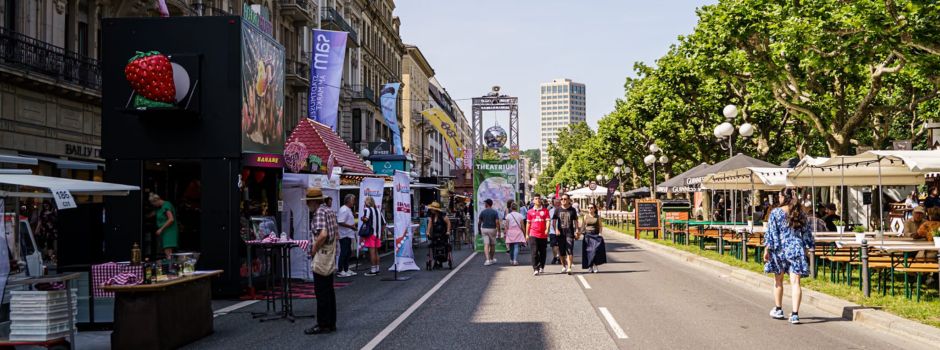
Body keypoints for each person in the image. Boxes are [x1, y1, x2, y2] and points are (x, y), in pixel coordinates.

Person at [762, 188, 814, 325]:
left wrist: (767, 249)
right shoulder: (800, 213)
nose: (778, 198)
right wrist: (808, 248)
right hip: (796, 249)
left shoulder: (775, 213)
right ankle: (795, 314)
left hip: (779, 250)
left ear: (783, 197)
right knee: (796, 283)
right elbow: (807, 233)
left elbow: (771, 234)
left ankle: (779, 309)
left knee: (778, 281)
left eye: (779, 196)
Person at [305, 189, 338, 335]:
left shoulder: (319, 212)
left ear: (313, 201)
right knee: (329, 290)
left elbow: (323, 234)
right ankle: (331, 322)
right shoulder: (329, 210)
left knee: (321, 291)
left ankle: (323, 323)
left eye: (308, 202)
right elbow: (334, 233)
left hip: (322, 254)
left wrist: (313, 249)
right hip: (330, 253)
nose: (307, 205)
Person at [552, 194, 580, 275]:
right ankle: (564, 265)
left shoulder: (573, 210)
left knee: (570, 250)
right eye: (562, 199)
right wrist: (556, 229)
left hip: (570, 233)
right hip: (560, 234)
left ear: (568, 200)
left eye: (565, 199)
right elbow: (554, 221)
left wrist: (577, 230)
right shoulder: (557, 210)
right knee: (561, 252)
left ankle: (569, 267)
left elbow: (575, 221)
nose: (563, 200)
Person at [360, 196, 386, 276]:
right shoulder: (378, 210)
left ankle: (373, 270)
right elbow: (384, 223)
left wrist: (362, 218)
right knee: (376, 252)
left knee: (372, 252)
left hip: (370, 234)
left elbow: (366, 219)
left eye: (365, 202)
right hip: (377, 234)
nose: (364, 203)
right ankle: (377, 268)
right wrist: (381, 233)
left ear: (367, 203)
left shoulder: (367, 209)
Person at [149, 193, 179, 260]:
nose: (154, 205)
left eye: (153, 204)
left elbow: (171, 219)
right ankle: (170, 265)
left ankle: (170, 267)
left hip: (169, 231)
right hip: (165, 231)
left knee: (168, 250)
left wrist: (161, 229)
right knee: (167, 250)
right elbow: (154, 213)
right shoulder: (160, 208)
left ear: (156, 200)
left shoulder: (166, 205)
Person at [526, 197, 551, 275]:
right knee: (534, 252)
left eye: (539, 198)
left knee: (542, 252)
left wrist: (547, 229)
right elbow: (528, 223)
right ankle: (535, 268)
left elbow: (548, 221)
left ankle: (541, 266)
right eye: (536, 199)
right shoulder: (530, 211)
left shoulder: (545, 211)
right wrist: (527, 234)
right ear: (533, 201)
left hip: (543, 235)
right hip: (533, 234)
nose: (538, 200)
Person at [335, 194, 357, 278]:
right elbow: (340, 222)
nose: (354, 202)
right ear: (348, 201)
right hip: (344, 234)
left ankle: (346, 269)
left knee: (348, 252)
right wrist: (351, 226)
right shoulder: (344, 209)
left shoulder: (348, 209)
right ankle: (340, 270)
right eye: (353, 200)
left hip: (348, 234)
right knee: (344, 252)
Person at [581, 204, 607, 273]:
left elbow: (600, 226)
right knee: (588, 251)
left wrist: (600, 234)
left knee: (595, 251)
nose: (590, 209)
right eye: (588, 207)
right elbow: (583, 226)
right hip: (587, 235)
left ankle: (595, 265)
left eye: (591, 208)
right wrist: (580, 233)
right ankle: (590, 266)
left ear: (594, 209)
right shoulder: (585, 216)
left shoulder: (597, 217)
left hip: (595, 235)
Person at [427, 201, 452, 268]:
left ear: (435, 210)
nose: (431, 210)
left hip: (443, 234)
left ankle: (440, 261)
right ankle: (436, 261)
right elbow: (430, 224)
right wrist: (428, 232)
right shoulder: (432, 216)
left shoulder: (443, 215)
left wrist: (448, 231)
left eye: (432, 209)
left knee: (444, 245)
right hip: (435, 234)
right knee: (433, 246)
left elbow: (448, 223)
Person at [477, 199, 501, 266]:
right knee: (492, 245)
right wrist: (499, 231)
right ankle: (491, 259)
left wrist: (479, 230)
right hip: (492, 229)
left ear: (487, 204)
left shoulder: (483, 212)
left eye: (485, 203)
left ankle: (487, 260)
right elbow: (497, 222)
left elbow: (479, 222)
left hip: (484, 229)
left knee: (486, 244)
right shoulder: (495, 212)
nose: (484, 204)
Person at [503, 202, 526, 266]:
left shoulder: (508, 215)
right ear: (517, 208)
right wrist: (524, 233)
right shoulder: (520, 215)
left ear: (511, 207)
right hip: (518, 232)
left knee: (511, 247)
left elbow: (506, 226)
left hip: (510, 232)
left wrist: (505, 232)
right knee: (516, 246)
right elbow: (522, 226)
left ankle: (511, 259)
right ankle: (515, 260)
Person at [548, 197, 562, 265]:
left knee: (559, 245)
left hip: (561, 231)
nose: (557, 204)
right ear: (553, 203)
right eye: (556, 202)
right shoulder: (550, 211)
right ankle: (555, 257)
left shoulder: (563, 210)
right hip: (552, 231)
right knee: (554, 245)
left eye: (559, 202)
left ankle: (559, 257)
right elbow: (548, 221)